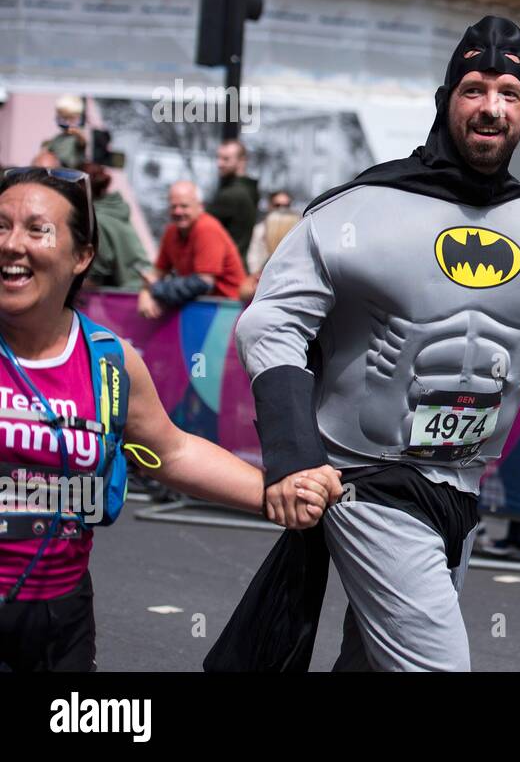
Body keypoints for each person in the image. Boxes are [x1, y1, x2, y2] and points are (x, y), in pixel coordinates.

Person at [228, 15, 520, 672]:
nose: (491, 108)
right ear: (446, 101)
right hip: (367, 479)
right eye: (473, 89)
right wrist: (294, 454)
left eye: (509, 93)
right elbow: (272, 323)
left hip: (461, 491)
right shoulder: (363, 205)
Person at [0, 167, 339, 671]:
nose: (11, 244)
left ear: (81, 255)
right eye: (0, 226)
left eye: (36, 229)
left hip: (61, 622)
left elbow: (171, 451)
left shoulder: (106, 360)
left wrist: (276, 493)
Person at [138, 181, 246, 318]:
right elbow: (155, 274)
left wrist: (157, 289)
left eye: (184, 206)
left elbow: (203, 283)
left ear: (200, 207)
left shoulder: (207, 228)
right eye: (173, 206)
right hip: (202, 310)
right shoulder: (171, 231)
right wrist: (145, 293)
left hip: (227, 312)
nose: (178, 211)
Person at [83, 163, 152, 291]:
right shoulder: (113, 208)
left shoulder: (98, 217)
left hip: (128, 290)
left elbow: (100, 269)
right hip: (140, 282)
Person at [208, 140, 260, 265]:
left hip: (226, 267)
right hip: (238, 264)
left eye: (226, 159)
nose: (219, 163)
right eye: (218, 158)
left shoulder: (232, 194)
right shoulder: (250, 189)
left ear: (242, 161)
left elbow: (202, 226)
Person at [237, 209, 300, 303]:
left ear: (277, 234)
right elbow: (244, 290)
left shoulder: (283, 268)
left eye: (267, 231)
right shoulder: (271, 261)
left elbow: (246, 291)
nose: (263, 237)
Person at [244, 188, 293, 277]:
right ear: (270, 206)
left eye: (286, 205)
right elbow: (253, 255)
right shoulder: (260, 229)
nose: (282, 209)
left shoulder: (295, 230)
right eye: (277, 205)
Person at [39, 96, 87, 169]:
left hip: (72, 170)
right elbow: (49, 150)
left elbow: (82, 142)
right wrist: (46, 147)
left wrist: (77, 133)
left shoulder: (75, 138)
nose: (66, 121)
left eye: (70, 118)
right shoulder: (58, 138)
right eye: (63, 117)